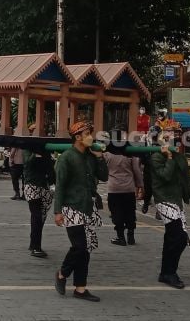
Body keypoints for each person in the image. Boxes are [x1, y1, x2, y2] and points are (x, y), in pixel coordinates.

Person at [54, 121, 108, 302]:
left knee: (85, 250)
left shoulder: (91, 156)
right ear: (77, 137)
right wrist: (57, 211)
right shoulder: (67, 157)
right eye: (87, 134)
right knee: (79, 246)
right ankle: (62, 273)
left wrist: (100, 157)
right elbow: (60, 186)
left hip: (88, 207)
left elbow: (104, 176)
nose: (91, 137)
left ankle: (80, 288)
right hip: (71, 207)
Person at [151, 125, 190, 289]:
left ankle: (166, 272)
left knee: (173, 238)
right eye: (167, 134)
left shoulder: (180, 156)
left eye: (174, 134)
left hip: (177, 201)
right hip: (164, 199)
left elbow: (187, 180)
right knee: (179, 237)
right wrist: (169, 157)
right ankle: (169, 272)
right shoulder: (156, 157)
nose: (171, 136)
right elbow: (165, 176)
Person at [103, 128, 143, 246]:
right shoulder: (130, 154)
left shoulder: (107, 154)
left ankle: (120, 237)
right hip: (129, 188)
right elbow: (137, 171)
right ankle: (131, 236)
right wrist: (140, 186)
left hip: (114, 189)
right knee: (130, 212)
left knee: (117, 213)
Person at [23, 124, 55, 258]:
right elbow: (27, 163)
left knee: (40, 217)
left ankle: (33, 242)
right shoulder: (28, 148)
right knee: (36, 216)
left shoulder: (47, 150)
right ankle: (36, 246)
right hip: (32, 186)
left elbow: (51, 169)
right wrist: (36, 155)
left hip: (45, 187)